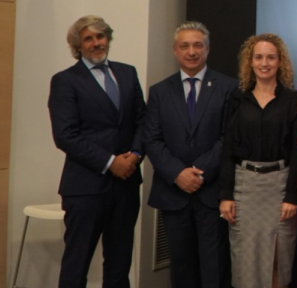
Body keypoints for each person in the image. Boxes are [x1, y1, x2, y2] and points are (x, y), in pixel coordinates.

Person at [47, 15, 146, 288]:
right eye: (88, 39)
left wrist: (135, 155)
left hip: (126, 185)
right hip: (86, 187)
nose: (96, 43)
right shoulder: (65, 81)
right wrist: (110, 162)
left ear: (108, 39)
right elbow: (65, 136)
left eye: (100, 37)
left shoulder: (127, 73)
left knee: (119, 265)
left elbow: (142, 121)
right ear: (78, 46)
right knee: (76, 266)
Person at [144, 21, 234, 288]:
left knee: (214, 265)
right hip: (174, 193)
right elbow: (152, 139)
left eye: (197, 45)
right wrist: (178, 174)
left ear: (207, 49)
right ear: (175, 50)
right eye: (185, 46)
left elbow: (228, 138)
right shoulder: (160, 91)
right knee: (181, 267)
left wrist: (198, 172)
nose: (191, 51)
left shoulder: (228, 87)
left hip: (211, 191)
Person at [219, 33, 297, 288]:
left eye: (270, 57)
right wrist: (226, 194)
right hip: (244, 189)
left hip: (279, 189)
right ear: (250, 62)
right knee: (244, 261)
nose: (264, 62)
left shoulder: (293, 100)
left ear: (280, 62)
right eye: (258, 57)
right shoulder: (237, 99)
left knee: (278, 259)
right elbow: (228, 149)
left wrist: (292, 196)